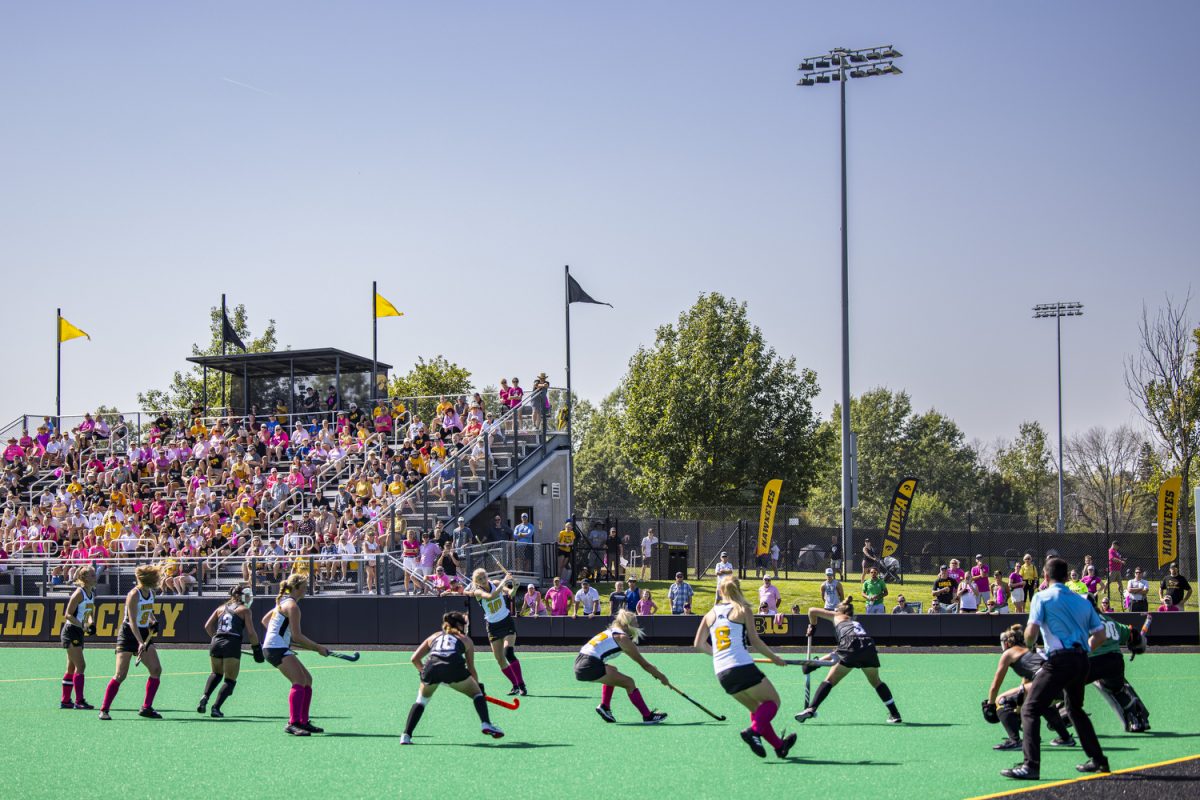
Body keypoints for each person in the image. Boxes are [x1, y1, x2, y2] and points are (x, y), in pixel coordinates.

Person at [1000, 557, 1109, 781]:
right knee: (1075, 710)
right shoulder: (1082, 600)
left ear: (1046, 577)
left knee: (1030, 709)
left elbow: (1030, 633)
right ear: (1066, 575)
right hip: (1081, 661)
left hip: (1059, 661)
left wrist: (1030, 647)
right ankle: (1099, 761)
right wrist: (1083, 651)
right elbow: (1100, 635)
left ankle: (1031, 766)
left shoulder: (1042, 597)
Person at [694, 577, 795, 759]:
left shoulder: (710, 614)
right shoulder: (742, 609)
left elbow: (698, 644)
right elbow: (755, 642)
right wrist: (775, 658)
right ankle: (752, 732)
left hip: (722, 673)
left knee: (757, 711)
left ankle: (779, 746)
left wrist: (717, 654)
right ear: (738, 590)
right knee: (773, 702)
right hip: (741, 665)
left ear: (720, 591)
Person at [402, 611, 504, 744]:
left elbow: (414, 659)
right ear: (459, 625)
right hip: (454, 669)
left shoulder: (434, 636)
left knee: (421, 701)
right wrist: (478, 686)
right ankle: (486, 723)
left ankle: (406, 735)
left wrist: (423, 673)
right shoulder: (465, 640)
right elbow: (471, 667)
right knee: (476, 694)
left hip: (430, 668)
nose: (466, 628)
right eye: (465, 625)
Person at [794, 599, 902, 725]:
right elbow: (843, 651)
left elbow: (811, 611)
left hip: (851, 648)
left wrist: (813, 626)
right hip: (868, 646)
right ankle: (895, 714)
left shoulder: (837, 615)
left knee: (829, 680)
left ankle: (811, 708)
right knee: (876, 681)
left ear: (840, 610)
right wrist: (816, 662)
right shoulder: (854, 623)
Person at [984, 624, 1076, 752]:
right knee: (1044, 702)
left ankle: (1014, 740)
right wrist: (1017, 710)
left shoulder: (1009, 654)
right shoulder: (1032, 650)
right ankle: (1066, 738)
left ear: (1007, 642)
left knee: (1002, 700)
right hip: (1065, 683)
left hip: (1049, 680)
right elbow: (1025, 688)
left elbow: (995, 686)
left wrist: (991, 704)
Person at [261, 574, 330, 736]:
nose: (306, 589)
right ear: (297, 588)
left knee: (307, 680)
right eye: (305, 587)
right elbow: (298, 636)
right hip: (275, 648)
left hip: (276, 646)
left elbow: (265, 621)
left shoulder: (283, 602)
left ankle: (303, 722)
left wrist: (281, 637)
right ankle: (293, 723)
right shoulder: (292, 606)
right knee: (298, 680)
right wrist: (317, 647)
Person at [576, 609, 668, 724]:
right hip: (590, 665)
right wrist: (661, 676)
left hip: (580, 663)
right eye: (635, 622)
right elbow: (644, 664)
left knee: (613, 670)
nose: (638, 625)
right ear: (627, 624)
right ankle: (647, 716)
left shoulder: (611, 631)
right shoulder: (622, 638)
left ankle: (605, 707)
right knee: (629, 683)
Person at [99, 564, 164, 721]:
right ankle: (104, 709)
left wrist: (153, 621)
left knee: (156, 670)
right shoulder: (134, 594)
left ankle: (146, 707)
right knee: (121, 674)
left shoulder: (151, 593)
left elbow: (148, 613)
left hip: (143, 633)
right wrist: (140, 642)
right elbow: (132, 621)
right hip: (129, 634)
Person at [198, 583, 263, 717]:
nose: (250, 598)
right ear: (240, 596)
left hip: (216, 642)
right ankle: (216, 708)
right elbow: (251, 633)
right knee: (230, 680)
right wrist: (257, 648)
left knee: (216, 673)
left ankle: (205, 696)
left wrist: (217, 638)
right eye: (247, 595)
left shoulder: (221, 608)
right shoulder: (244, 610)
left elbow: (207, 626)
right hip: (232, 643)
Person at [1086, 602, 1150, 733]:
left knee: (1068, 683)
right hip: (1115, 661)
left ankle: (1064, 712)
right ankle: (1137, 718)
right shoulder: (1110, 620)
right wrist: (1137, 645)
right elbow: (1133, 635)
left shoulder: (1082, 619)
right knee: (1117, 690)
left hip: (1093, 662)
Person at [467, 568, 526, 696]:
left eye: (484, 577)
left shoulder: (495, 583)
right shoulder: (477, 591)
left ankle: (521, 684)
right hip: (493, 627)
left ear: (487, 576)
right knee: (500, 660)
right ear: (476, 582)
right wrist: (505, 580)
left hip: (506, 621)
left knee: (508, 653)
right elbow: (490, 596)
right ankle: (515, 684)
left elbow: (511, 593)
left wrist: (515, 587)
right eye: (479, 579)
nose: (483, 580)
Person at [58, 565, 97, 709]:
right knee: (81, 665)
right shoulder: (79, 593)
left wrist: (91, 624)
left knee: (71, 667)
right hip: (71, 631)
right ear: (84, 578)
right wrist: (82, 625)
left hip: (78, 632)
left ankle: (65, 700)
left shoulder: (91, 593)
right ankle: (79, 701)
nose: (95, 577)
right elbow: (67, 614)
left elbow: (89, 613)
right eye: (92, 575)